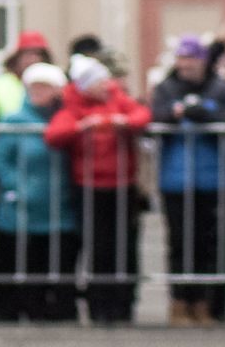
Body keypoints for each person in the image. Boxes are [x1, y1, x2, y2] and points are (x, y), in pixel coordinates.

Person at [43, 52, 149, 325]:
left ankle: (125, 305)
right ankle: (100, 307)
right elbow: (55, 134)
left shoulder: (117, 100)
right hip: (90, 187)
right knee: (100, 250)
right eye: (99, 81)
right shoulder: (74, 105)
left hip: (122, 185)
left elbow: (141, 114)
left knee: (125, 249)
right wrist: (82, 127)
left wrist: (121, 122)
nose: (105, 85)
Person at [151, 37, 225, 325]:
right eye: (181, 59)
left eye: (190, 59)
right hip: (175, 178)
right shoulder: (166, 88)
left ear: (202, 61)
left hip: (210, 177)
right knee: (178, 242)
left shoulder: (220, 87)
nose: (185, 65)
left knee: (205, 243)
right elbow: (155, 117)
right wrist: (176, 116)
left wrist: (204, 115)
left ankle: (202, 302)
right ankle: (179, 301)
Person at [0, 61, 76, 321]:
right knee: (18, 259)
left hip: (59, 205)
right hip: (21, 206)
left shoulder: (67, 119)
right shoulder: (13, 120)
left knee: (57, 260)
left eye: (44, 87)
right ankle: (14, 308)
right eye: (33, 86)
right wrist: (16, 186)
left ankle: (57, 309)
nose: (37, 91)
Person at [0, 30, 54, 119]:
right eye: (27, 54)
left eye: (38, 54)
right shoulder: (3, 82)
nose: (33, 59)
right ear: (17, 57)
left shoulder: (54, 81)